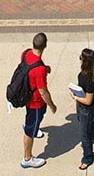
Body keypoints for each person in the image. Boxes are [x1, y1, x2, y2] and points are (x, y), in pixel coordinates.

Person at [19, 32, 56, 169]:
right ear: (45, 46)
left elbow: (29, 69)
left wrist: (44, 68)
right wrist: (52, 105)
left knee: (33, 120)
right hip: (35, 103)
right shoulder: (39, 70)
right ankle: (27, 159)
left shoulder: (26, 53)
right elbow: (43, 92)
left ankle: (32, 126)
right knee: (30, 131)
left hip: (27, 98)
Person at [73, 47, 94, 170]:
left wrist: (75, 97)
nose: (80, 59)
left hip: (86, 109)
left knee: (84, 135)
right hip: (88, 108)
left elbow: (87, 100)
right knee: (85, 122)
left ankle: (87, 157)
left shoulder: (87, 79)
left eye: (81, 58)